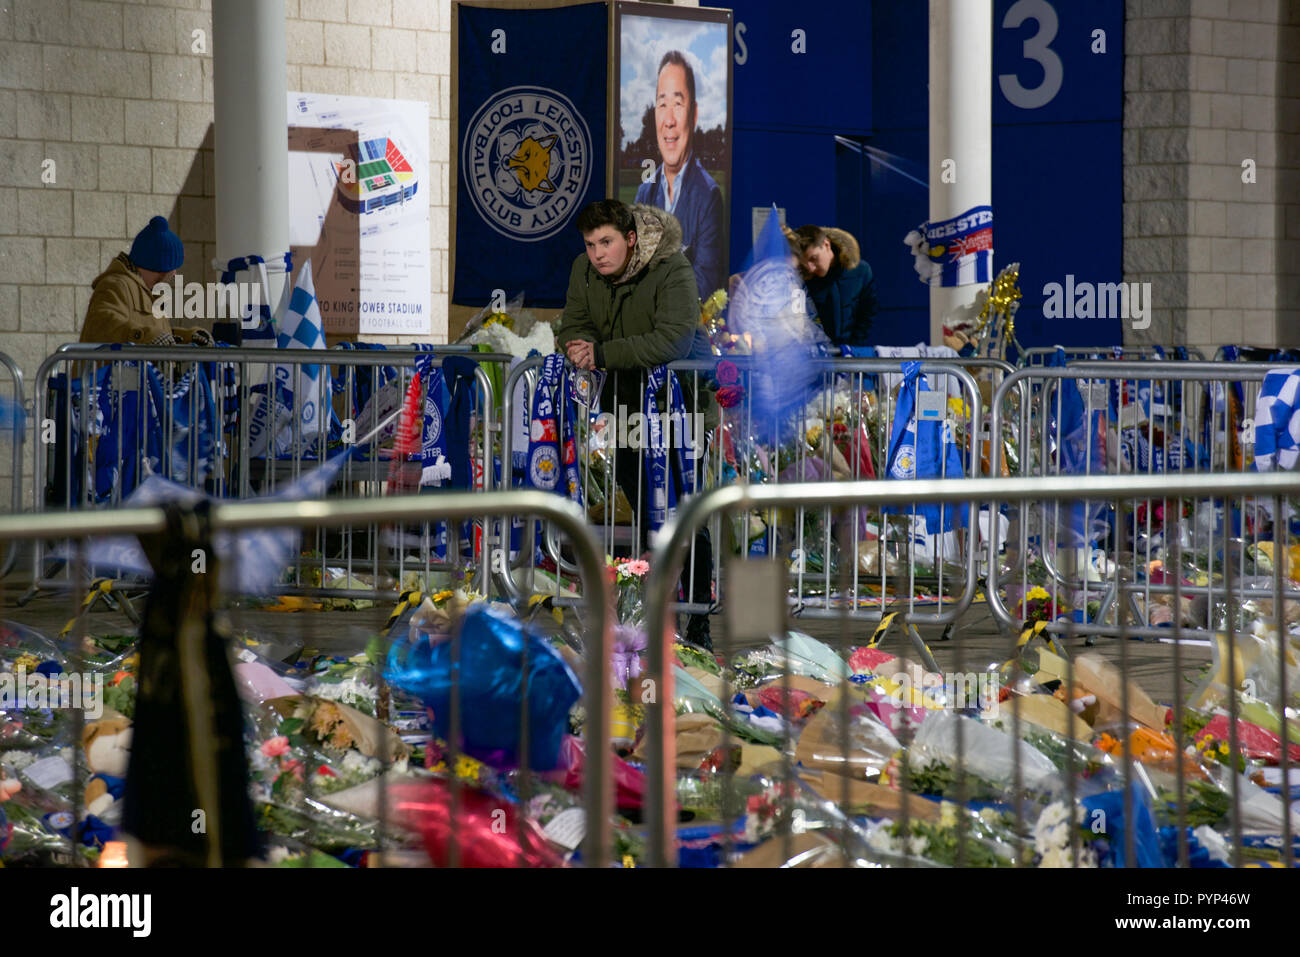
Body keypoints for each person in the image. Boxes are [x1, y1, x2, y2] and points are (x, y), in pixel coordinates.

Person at [556, 199, 717, 650]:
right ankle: (656, 622)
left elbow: (674, 339)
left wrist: (603, 354)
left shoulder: (671, 267)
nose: (597, 254)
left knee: (687, 515)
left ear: (630, 239)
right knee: (647, 509)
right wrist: (577, 344)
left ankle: (699, 623)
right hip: (626, 407)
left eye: (606, 242)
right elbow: (574, 323)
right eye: (589, 245)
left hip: (682, 404)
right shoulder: (583, 270)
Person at [634, 50, 726, 303]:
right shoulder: (645, 192)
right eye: (662, 104)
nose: (669, 120)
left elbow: (703, 284)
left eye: (678, 103)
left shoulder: (708, 196)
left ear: (693, 114)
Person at [79, 216, 212, 346]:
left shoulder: (149, 291)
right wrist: (146, 336)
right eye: (171, 269)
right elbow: (102, 326)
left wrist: (188, 337)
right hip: (110, 368)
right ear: (160, 268)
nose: (174, 274)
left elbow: (157, 335)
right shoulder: (116, 286)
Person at [785, 224, 877, 348]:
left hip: (851, 353)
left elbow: (867, 313)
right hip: (816, 356)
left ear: (826, 245)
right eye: (805, 263)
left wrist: (854, 348)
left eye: (814, 258)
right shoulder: (802, 280)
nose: (811, 268)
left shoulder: (861, 271)